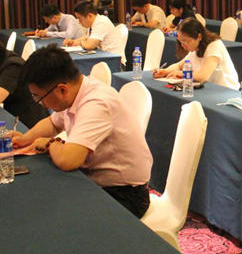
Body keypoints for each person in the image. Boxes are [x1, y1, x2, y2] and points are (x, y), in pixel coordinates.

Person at [13, 45, 153, 217]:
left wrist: (50, 144)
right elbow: (53, 124)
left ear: (62, 89)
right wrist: (25, 139)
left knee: (49, 212)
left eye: (38, 97)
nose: (40, 103)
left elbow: (67, 161)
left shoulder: (97, 103)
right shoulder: (76, 90)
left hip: (124, 194)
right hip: (97, 182)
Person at [153, 18, 240, 90]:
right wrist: (165, 71)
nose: (182, 45)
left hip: (226, 90)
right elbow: (179, 66)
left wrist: (182, 73)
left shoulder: (214, 45)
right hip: (208, 89)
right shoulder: (195, 48)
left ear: (199, 36)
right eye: (180, 41)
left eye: (185, 41)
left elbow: (203, 76)